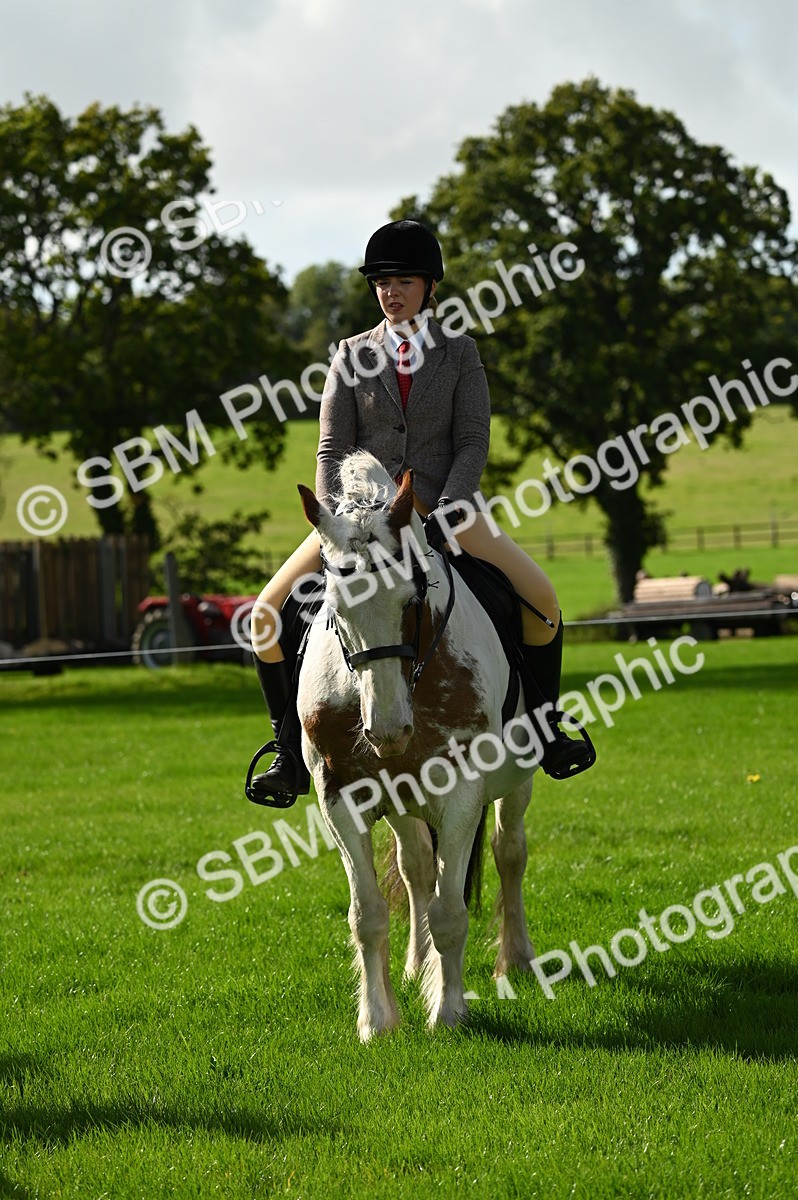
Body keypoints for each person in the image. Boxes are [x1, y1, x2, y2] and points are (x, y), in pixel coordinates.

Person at [245, 219, 595, 805]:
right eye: (381, 282)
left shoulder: (460, 353)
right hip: (359, 524)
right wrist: (341, 523)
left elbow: (473, 441)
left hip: (446, 510)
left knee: (543, 600)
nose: (390, 292)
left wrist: (446, 512)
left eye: (403, 280)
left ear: (430, 286)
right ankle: (286, 754)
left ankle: (546, 729)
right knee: (264, 615)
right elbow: (331, 447)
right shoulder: (350, 355)